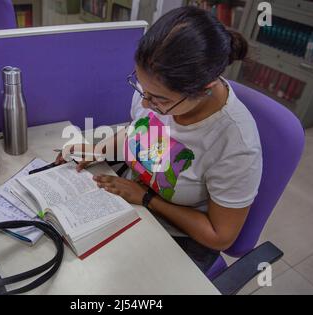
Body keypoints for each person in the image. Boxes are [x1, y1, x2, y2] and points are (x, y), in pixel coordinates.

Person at [56, 6, 262, 273]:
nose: (144, 102)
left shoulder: (235, 144)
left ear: (204, 90)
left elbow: (220, 236)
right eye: (141, 87)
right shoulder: (156, 93)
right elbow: (140, 129)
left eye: (159, 99)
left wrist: (147, 199)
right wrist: (99, 150)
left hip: (180, 237)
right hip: (134, 203)